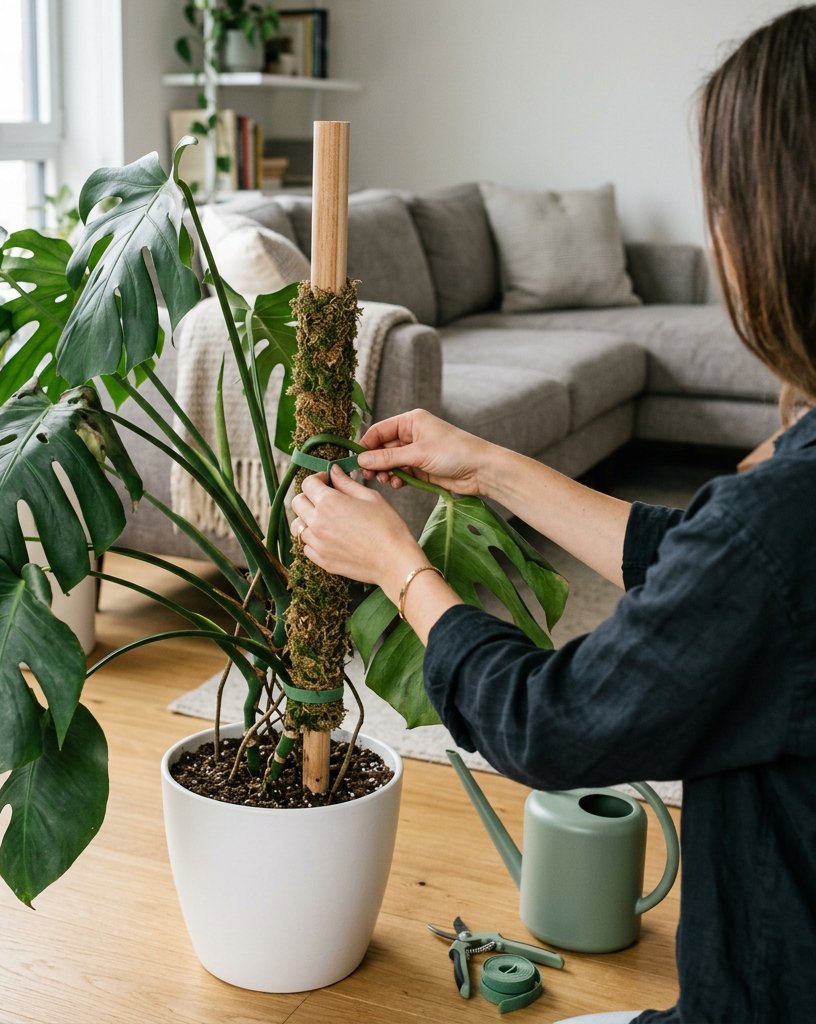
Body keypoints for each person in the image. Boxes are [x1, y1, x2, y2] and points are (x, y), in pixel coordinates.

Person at [288, 7, 816, 1023]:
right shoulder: (776, 523)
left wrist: (397, 568)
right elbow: (699, 567)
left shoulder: (778, 522)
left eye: (722, 207)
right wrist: (487, 466)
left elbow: (555, 723)